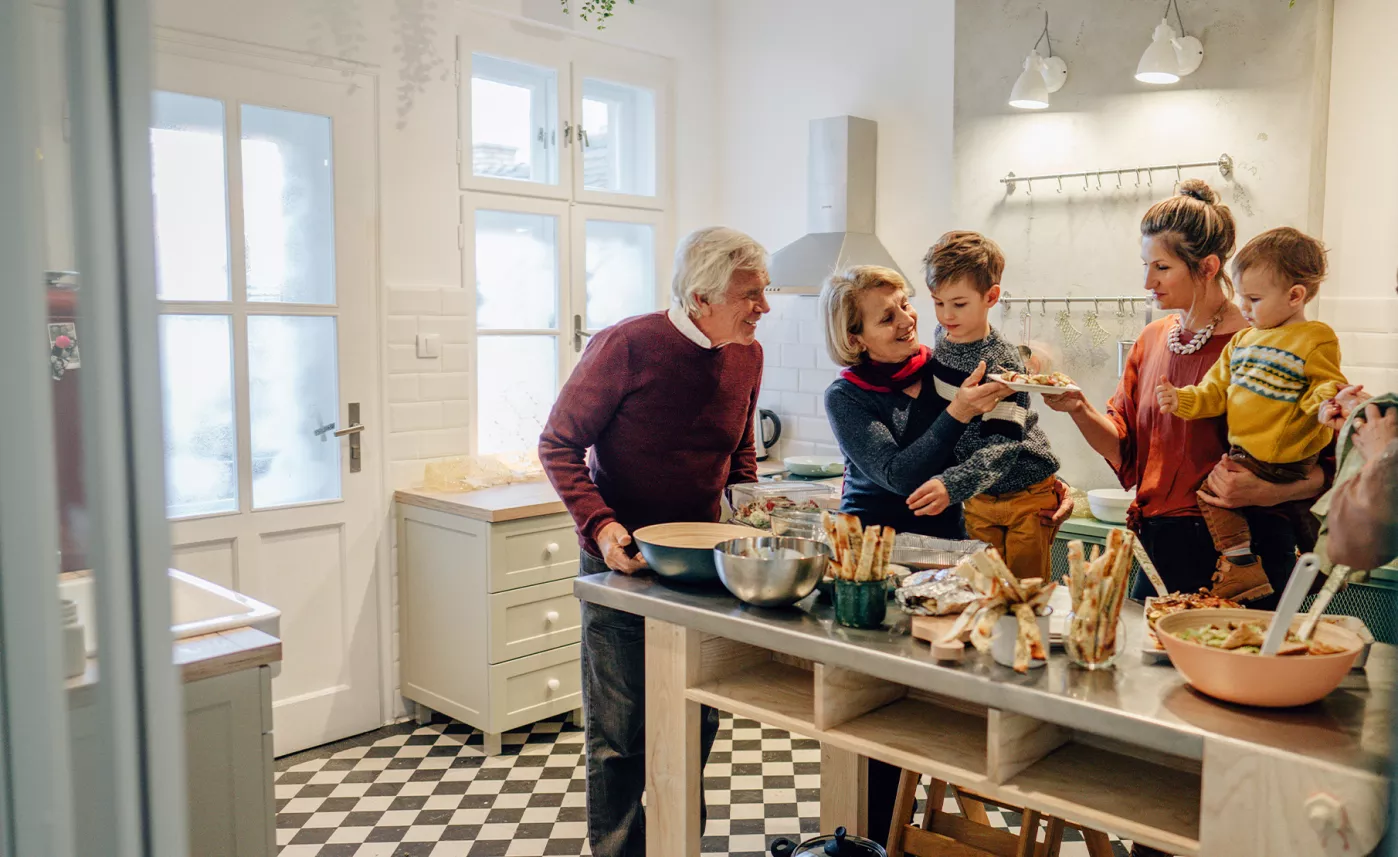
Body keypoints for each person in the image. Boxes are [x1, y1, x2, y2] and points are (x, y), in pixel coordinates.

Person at [538, 226, 770, 857]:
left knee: (695, 721)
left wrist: (749, 507)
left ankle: (675, 845)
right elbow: (558, 444)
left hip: (704, 568)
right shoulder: (627, 346)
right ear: (701, 297)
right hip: (623, 562)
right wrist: (602, 526)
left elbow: (741, 449)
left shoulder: (746, 353)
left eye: (764, 291)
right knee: (619, 735)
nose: (764, 307)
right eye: (751, 295)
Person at [1041, 180, 1326, 608]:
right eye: (1145, 265)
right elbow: (1126, 453)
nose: (1147, 281)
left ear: (1208, 266)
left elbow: (1325, 464)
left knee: (1237, 670)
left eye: (1161, 267)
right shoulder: (1151, 340)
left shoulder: (1263, 342)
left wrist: (1269, 493)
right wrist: (1078, 408)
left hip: (1247, 552)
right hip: (1162, 542)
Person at [1155, 227, 1346, 600]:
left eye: (1254, 299)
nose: (1244, 307)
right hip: (1253, 454)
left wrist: (1325, 406)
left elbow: (1324, 383)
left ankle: (1240, 564)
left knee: (1211, 494)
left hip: (1287, 454)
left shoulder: (1315, 337)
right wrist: (1181, 401)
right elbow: (1214, 392)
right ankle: (1319, 563)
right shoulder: (1243, 341)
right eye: (1241, 296)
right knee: (1299, 510)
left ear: (1295, 296)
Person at [909, 230, 1066, 580]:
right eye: (938, 302)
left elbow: (1003, 445)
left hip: (1026, 492)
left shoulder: (1000, 362)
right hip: (979, 494)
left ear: (991, 297)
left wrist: (952, 484)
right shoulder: (942, 338)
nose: (946, 315)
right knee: (982, 588)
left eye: (959, 304)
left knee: (1025, 592)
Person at [819, 265, 1018, 539]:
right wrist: (958, 411)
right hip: (869, 547)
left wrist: (1044, 481)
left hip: (946, 541)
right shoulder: (846, 396)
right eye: (888, 318)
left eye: (905, 304)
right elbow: (898, 476)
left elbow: (1000, 439)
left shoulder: (943, 368)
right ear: (856, 339)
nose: (907, 320)